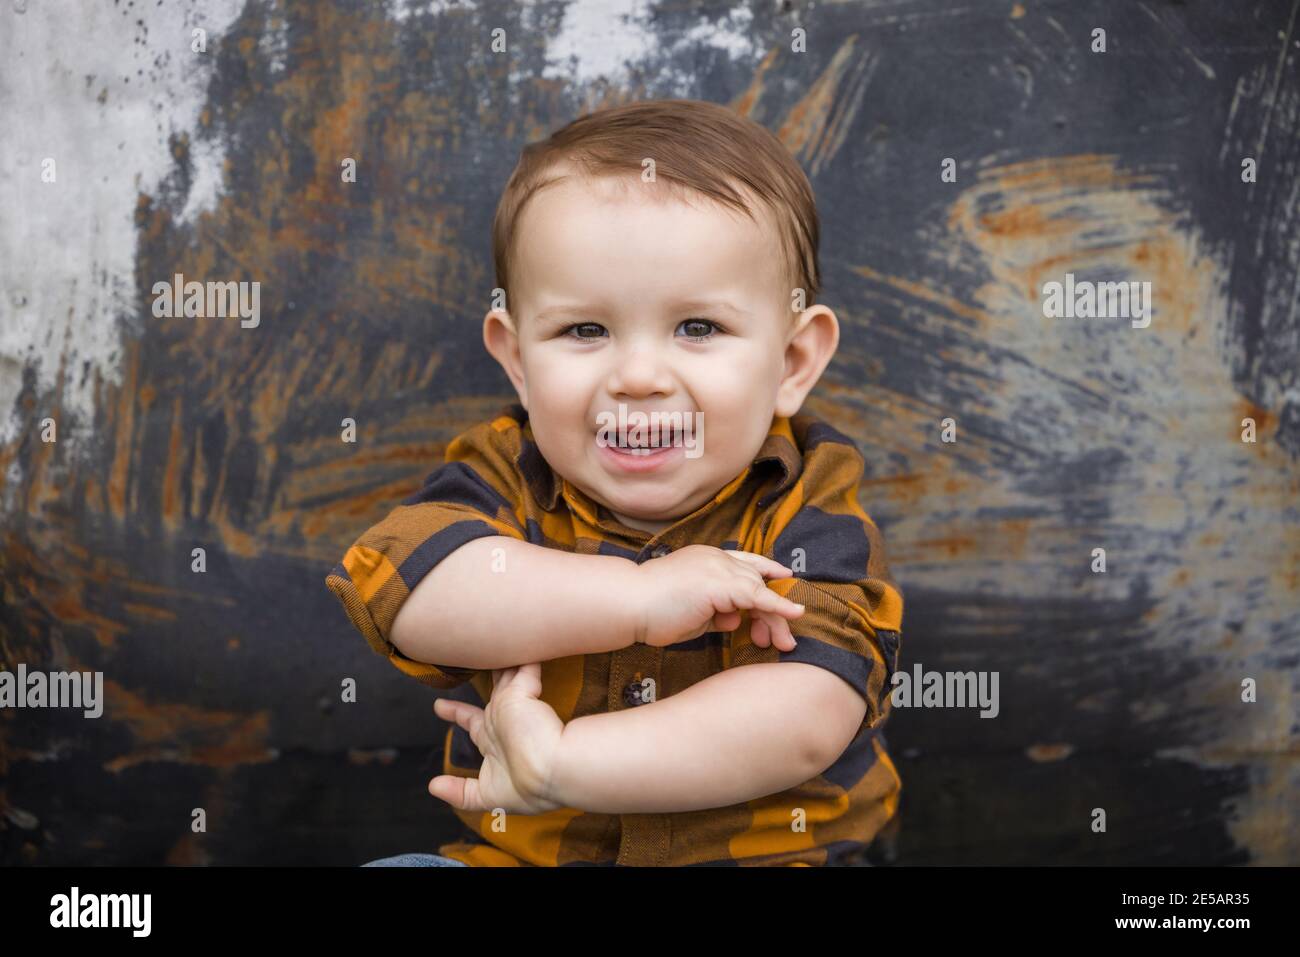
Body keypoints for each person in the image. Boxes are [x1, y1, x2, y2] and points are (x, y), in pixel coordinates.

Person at [329, 99, 904, 867]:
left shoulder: (807, 505)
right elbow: (409, 590)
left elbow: (808, 710)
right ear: (517, 360)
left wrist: (562, 762)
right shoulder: (507, 472)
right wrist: (636, 598)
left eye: (698, 327)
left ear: (793, 363)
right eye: (585, 330)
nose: (637, 377)